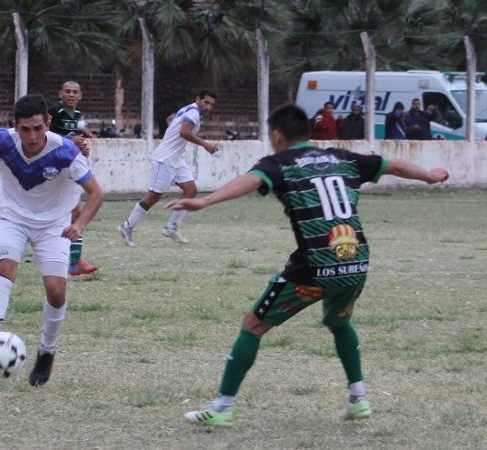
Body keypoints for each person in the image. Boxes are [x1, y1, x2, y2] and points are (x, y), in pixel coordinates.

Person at [166, 104, 448, 427]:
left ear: (276, 135)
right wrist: (429, 176)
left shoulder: (280, 164)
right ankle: (358, 399)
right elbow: (391, 164)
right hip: (355, 261)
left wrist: (204, 201)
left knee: (253, 325)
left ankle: (221, 408)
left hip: (315, 266)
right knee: (339, 323)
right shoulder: (343, 158)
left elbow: (249, 180)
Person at [0, 94, 104, 387]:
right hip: (11, 217)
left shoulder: (65, 151)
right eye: (25, 129)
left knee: (55, 291)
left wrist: (79, 224)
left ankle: (47, 350)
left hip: (54, 223)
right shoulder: (1, 140)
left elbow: (96, 192)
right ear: (14, 126)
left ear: (48, 124)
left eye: (38, 128)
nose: (32, 136)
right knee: (5, 268)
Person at [117, 91, 217, 246]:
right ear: (198, 99)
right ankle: (127, 226)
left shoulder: (188, 109)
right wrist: (205, 144)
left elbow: (170, 119)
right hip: (165, 159)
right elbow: (184, 132)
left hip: (176, 158)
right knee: (153, 196)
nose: (208, 107)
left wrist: (172, 135)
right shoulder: (194, 113)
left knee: (191, 190)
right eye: (206, 102)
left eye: (211, 104)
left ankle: (171, 227)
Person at [48, 80, 99, 277]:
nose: (71, 95)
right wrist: (72, 142)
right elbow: (44, 137)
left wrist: (82, 147)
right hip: (51, 166)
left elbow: (71, 140)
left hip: (67, 166)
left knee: (76, 212)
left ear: (80, 96)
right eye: (67, 91)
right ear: (60, 93)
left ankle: (74, 261)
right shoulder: (55, 112)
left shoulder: (77, 114)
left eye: (74, 92)